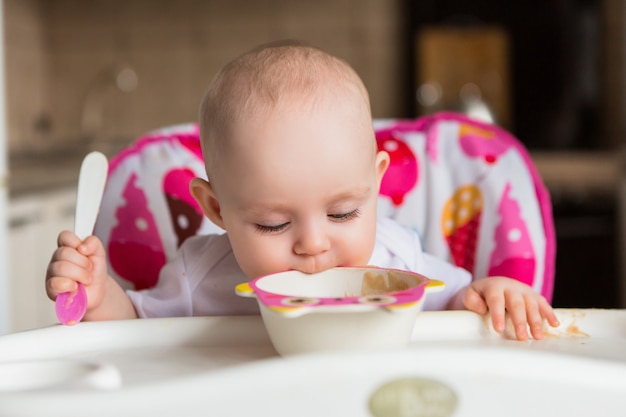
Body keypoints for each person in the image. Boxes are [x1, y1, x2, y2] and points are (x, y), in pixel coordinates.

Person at [46, 40, 559, 341]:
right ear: (216, 209)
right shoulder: (197, 276)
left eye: (343, 213)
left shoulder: (397, 261)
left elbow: (455, 305)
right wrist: (97, 295)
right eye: (273, 223)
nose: (313, 245)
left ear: (377, 183)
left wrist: (492, 293)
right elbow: (133, 332)